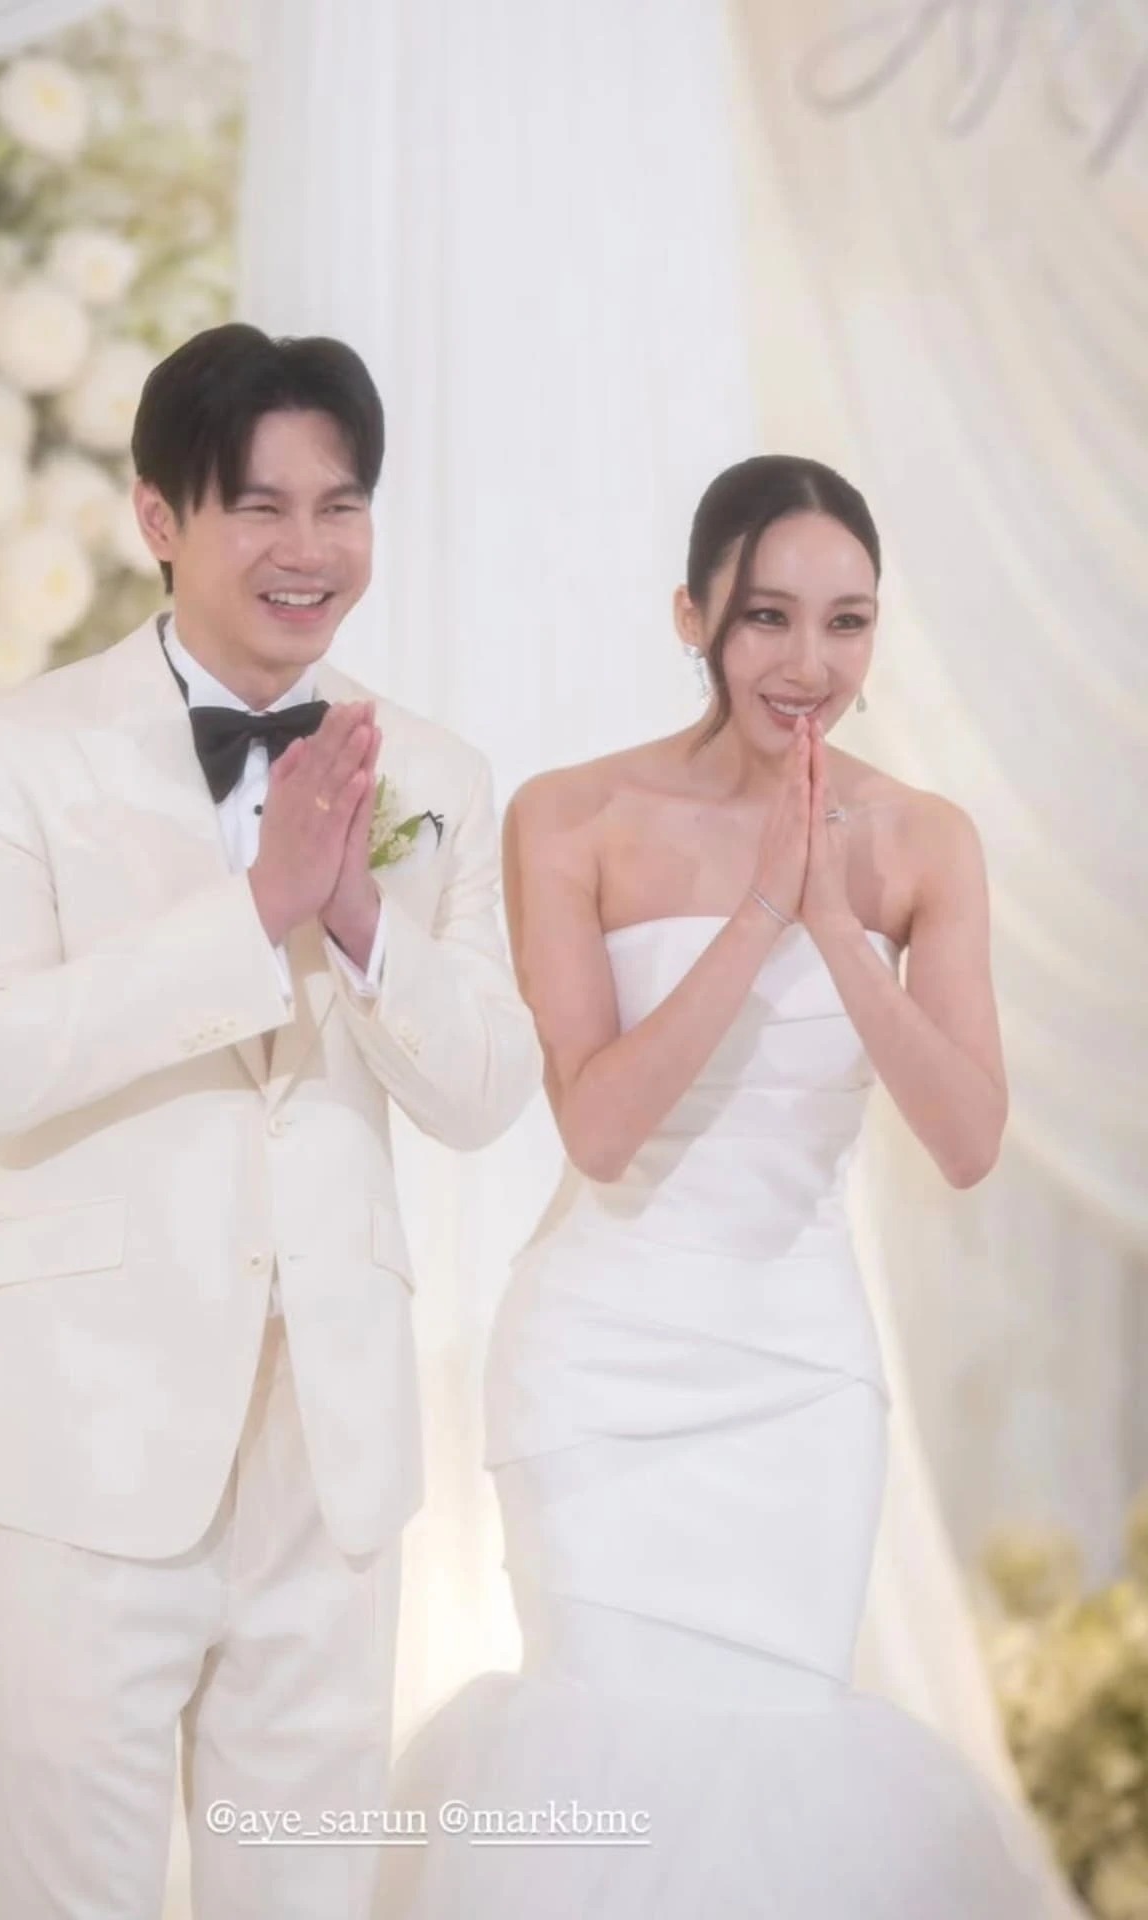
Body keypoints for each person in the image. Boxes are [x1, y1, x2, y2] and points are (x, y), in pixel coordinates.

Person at [0, 322, 541, 1920]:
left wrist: (360, 921)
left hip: (329, 1453)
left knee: (303, 1891)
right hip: (79, 1432)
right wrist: (255, 913)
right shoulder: (7, 757)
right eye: (259, 507)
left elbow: (484, 1091)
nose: (307, 549)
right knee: (76, 1893)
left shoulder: (435, 772)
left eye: (341, 506)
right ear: (159, 518)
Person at [377, 455, 1078, 1918]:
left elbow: (966, 1138)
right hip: (599, 1366)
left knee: (776, 1764)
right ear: (692, 616)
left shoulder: (924, 840)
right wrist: (761, 907)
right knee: (600, 1737)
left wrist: (834, 923)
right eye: (767, 616)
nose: (808, 662)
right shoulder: (572, 816)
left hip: (797, 1380)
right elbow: (598, 1126)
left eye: (847, 621)